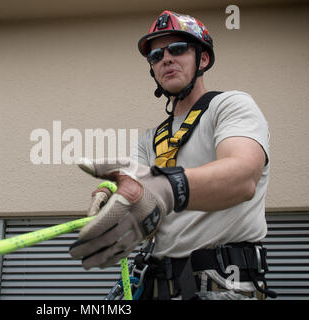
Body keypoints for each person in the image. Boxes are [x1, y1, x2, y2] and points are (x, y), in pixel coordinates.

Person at [69, 10, 276, 300]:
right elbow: (136, 190)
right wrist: (110, 193)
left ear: (202, 59)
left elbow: (243, 177)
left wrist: (168, 187)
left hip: (222, 288)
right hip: (159, 286)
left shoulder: (231, 106)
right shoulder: (149, 140)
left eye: (178, 49)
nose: (165, 58)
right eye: (156, 55)